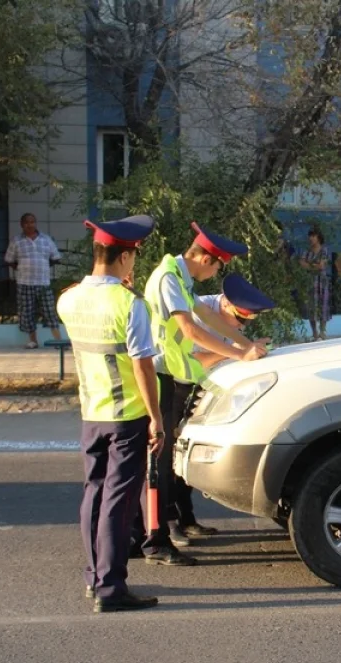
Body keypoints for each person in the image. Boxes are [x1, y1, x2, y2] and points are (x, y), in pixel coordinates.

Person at [140, 222, 268, 563]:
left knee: (167, 460)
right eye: (217, 267)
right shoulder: (169, 277)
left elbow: (208, 315)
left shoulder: (180, 277)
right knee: (160, 462)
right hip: (162, 376)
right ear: (206, 258)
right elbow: (190, 329)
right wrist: (240, 353)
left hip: (173, 375)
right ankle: (158, 540)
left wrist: (246, 343)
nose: (214, 275)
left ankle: (163, 533)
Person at [56, 214, 164, 612]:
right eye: (134, 255)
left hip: (91, 413)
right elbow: (142, 365)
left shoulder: (68, 298)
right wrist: (157, 417)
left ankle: (94, 575)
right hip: (127, 417)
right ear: (126, 256)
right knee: (118, 502)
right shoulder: (130, 304)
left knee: (94, 494)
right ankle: (111, 588)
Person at [5, 212, 64, 349]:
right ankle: (33, 341)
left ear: (36, 223)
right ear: (21, 225)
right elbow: (9, 260)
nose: (30, 225)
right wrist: (20, 268)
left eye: (32, 222)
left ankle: (58, 341)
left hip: (43, 282)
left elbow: (55, 258)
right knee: (27, 313)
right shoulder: (16, 241)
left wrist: (42, 266)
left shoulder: (46, 239)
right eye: (26, 222)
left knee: (49, 311)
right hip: (24, 282)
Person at [300, 228, 333, 340]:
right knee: (311, 306)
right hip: (310, 281)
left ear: (318, 237)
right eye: (310, 236)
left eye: (313, 236)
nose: (311, 238)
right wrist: (313, 266)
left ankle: (323, 331)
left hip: (322, 281)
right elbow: (302, 263)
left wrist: (310, 265)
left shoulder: (324, 250)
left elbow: (322, 265)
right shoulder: (307, 251)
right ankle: (314, 332)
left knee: (323, 304)